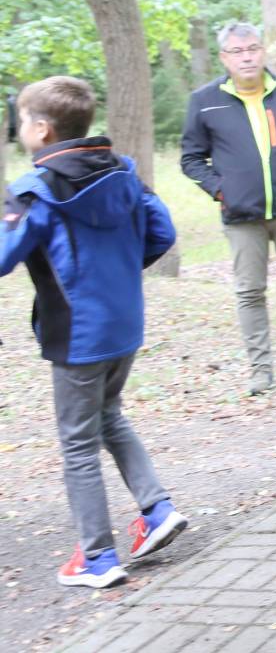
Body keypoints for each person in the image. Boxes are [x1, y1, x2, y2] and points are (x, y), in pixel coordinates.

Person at [1, 77, 185, 589]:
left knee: (78, 443)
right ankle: (157, 508)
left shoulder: (35, 189)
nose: (19, 129)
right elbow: (163, 233)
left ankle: (97, 558)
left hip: (78, 335)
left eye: (21, 119)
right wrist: (122, 276)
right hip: (124, 324)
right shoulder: (124, 171)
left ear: (42, 128)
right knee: (108, 416)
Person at [180, 22, 276, 395]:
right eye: (237, 51)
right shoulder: (205, 100)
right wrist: (222, 192)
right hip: (240, 217)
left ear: (263, 51)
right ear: (224, 58)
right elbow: (191, 158)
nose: (247, 56)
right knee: (250, 293)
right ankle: (261, 371)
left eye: (252, 48)